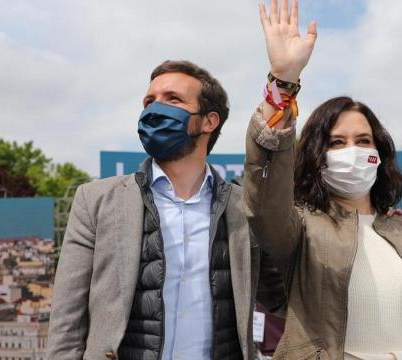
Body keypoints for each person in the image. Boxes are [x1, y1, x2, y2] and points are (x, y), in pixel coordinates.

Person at [242, 0, 402, 359]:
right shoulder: (301, 228)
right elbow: (263, 204)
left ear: (380, 152)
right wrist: (283, 83)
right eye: (336, 143)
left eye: (363, 140)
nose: (352, 151)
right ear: (316, 155)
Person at [46, 60, 285, 360]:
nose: (154, 109)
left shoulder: (244, 209)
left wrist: (284, 82)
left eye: (173, 99)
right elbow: (67, 321)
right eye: (149, 101)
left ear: (209, 121)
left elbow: (284, 296)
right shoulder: (95, 201)